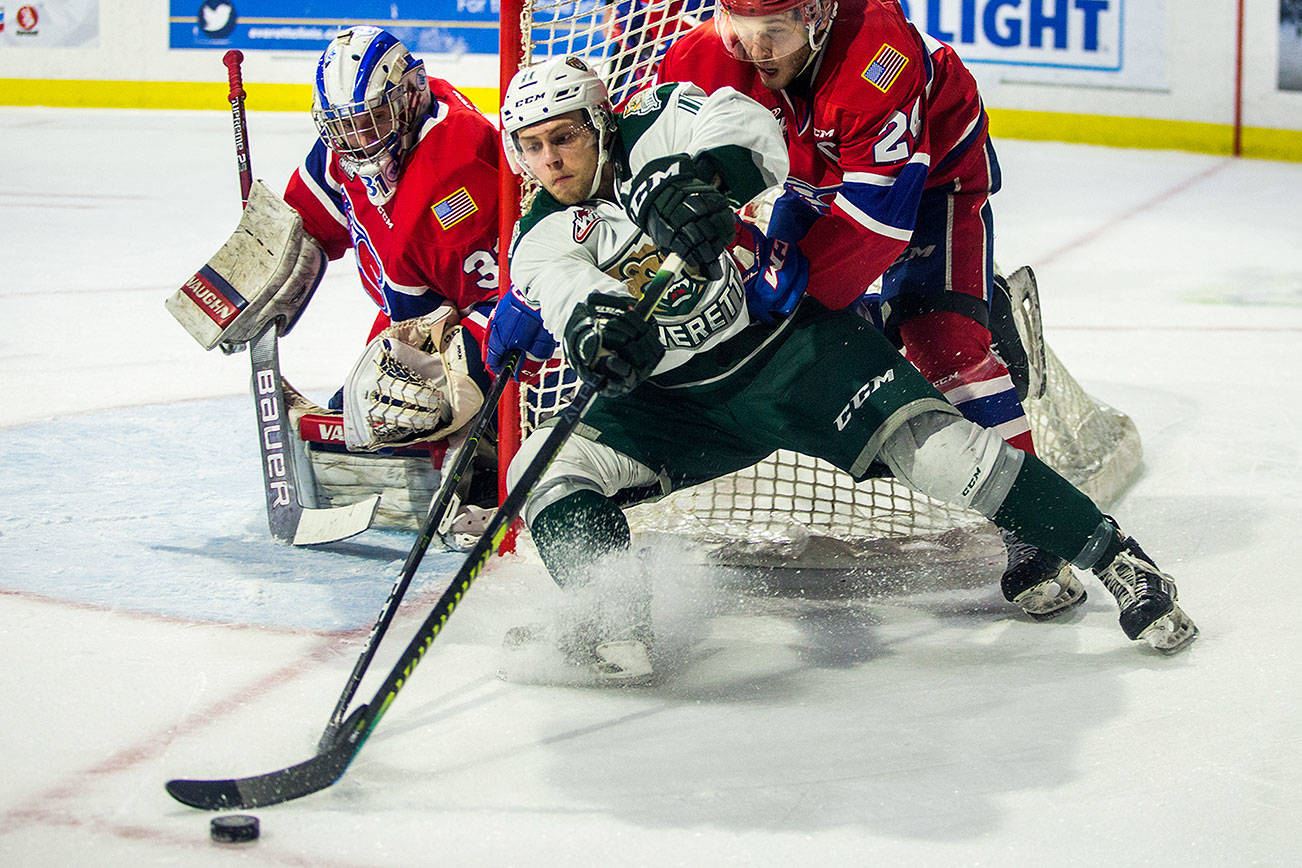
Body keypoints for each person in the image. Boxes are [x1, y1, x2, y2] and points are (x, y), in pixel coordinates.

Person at [485, 56, 1197, 685]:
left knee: (945, 455)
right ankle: (614, 618)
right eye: (534, 145)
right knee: (540, 472)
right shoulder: (538, 239)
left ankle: (1118, 559)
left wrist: (703, 178)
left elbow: (750, 131)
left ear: (601, 124)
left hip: (790, 351)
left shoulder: (658, 118)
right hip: (680, 402)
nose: (553, 159)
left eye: (566, 134)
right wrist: (598, 334)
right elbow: (570, 294)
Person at [656, 0, 1084, 620]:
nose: (754, 53)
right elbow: (656, 168)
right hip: (805, 177)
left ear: (817, 16)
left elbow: (876, 227)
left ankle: (1037, 530)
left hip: (932, 175)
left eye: (772, 34)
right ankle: (938, 315)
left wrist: (789, 304)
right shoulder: (699, 57)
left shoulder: (877, 59)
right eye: (740, 33)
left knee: (941, 342)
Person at [283, 25, 502, 454]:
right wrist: (273, 255)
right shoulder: (360, 137)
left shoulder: (455, 173)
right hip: (406, 321)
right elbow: (311, 211)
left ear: (412, 97)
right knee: (346, 425)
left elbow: (498, 302)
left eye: (373, 122)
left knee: (404, 419)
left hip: (462, 327)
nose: (360, 143)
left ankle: (483, 444)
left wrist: (466, 382)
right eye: (347, 127)